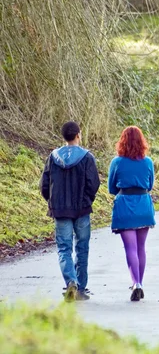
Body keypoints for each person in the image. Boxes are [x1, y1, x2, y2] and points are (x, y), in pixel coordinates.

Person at [40, 121, 100, 302]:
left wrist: (52, 201)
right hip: (81, 210)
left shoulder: (53, 156)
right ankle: (80, 288)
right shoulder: (87, 157)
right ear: (78, 135)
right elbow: (93, 184)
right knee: (82, 248)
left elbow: (44, 184)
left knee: (64, 248)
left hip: (60, 210)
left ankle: (70, 281)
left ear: (63, 136)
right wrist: (87, 201)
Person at [108, 126, 155, 301]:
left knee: (130, 248)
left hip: (125, 206)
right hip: (143, 206)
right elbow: (149, 186)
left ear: (122, 141)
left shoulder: (117, 162)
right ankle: (140, 283)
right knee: (141, 247)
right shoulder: (148, 162)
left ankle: (136, 283)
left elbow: (112, 188)